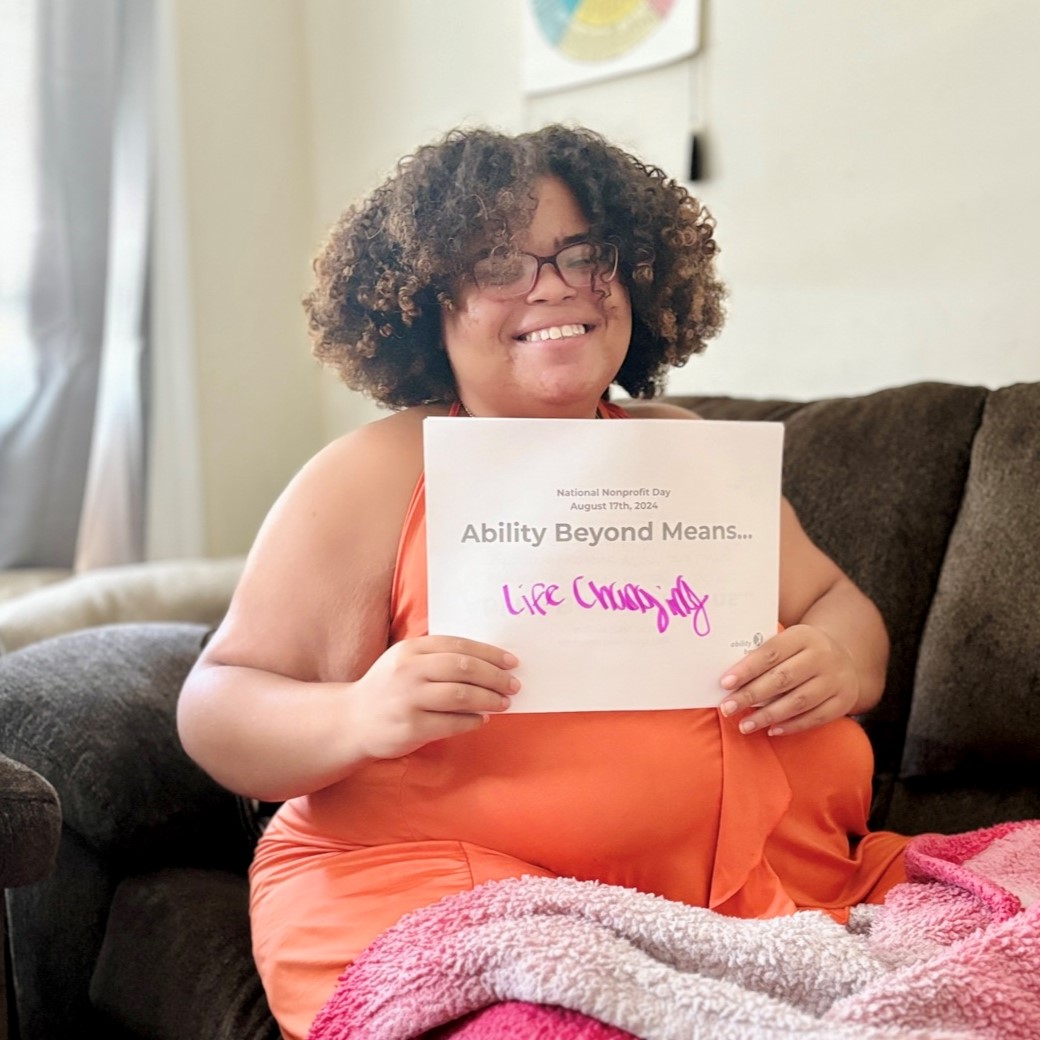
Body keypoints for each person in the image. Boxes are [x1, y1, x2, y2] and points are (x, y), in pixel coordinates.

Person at [176, 124, 907, 1040]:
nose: (555, 285)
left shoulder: (687, 451)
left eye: (583, 254)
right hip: (439, 899)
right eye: (498, 262)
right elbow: (216, 702)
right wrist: (360, 714)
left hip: (755, 902)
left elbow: (841, 608)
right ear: (425, 305)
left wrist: (838, 653)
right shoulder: (371, 474)